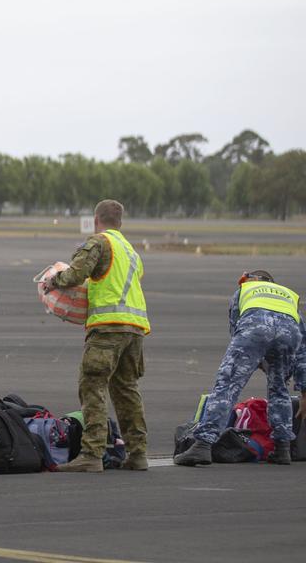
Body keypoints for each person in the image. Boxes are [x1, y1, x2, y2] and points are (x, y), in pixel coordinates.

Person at [44, 199, 149, 472]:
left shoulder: (99, 242)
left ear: (95, 220)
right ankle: (137, 453)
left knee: (92, 386)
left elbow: (76, 274)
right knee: (126, 390)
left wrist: (53, 281)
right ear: (121, 223)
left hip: (108, 328)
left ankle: (92, 453)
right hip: (135, 328)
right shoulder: (131, 250)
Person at [175, 271, 306, 466]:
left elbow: (236, 328)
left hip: (255, 329)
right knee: (279, 388)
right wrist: (304, 389)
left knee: (227, 385)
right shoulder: (288, 296)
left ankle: (202, 446)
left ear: (253, 280)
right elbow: (303, 348)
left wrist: (253, 358)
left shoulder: (245, 290)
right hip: (289, 334)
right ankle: (282, 448)